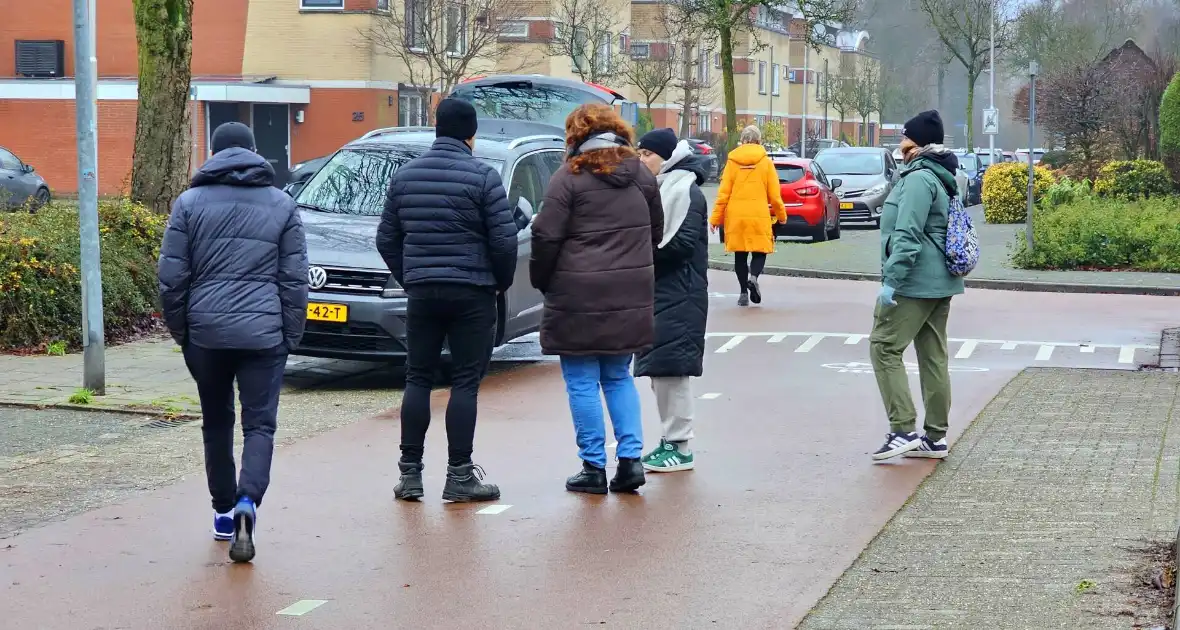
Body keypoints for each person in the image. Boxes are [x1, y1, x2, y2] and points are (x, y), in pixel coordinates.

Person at [158, 121, 308, 563]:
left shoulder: (188, 204)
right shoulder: (282, 204)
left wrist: (182, 332)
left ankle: (223, 512)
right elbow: (294, 279)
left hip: (205, 334)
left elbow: (171, 279)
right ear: (253, 152)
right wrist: (290, 334)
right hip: (264, 336)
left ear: (215, 152)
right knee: (260, 424)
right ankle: (248, 500)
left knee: (216, 422)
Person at [376, 98, 517, 503]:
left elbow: (386, 238)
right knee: (465, 383)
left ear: (437, 128)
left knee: (417, 377)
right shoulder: (484, 177)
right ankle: (459, 476)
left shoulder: (405, 177)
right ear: (471, 135)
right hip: (472, 293)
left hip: (423, 293)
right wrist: (497, 283)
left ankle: (410, 475)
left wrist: (412, 277)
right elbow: (504, 242)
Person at [530, 104, 663, 494]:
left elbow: (545, 236)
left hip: (577, 294)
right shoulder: (640, 175)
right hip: (629, 292)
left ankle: (592, 466)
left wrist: (543, 280)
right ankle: (631, 460)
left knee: (582, 380)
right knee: (619, 376)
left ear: (576, 135)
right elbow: (655, 229)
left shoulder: (568, 177)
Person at [869, 110, 965, 462]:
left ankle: (902, 429)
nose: (900, 143)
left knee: (883, 347)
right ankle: (935, 437)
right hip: (941, 282)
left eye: (905, 137)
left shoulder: (918, 180)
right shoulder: (941, 175)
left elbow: (907, 236)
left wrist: (892, 282)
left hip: (915, 283)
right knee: (933, 354)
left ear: (917, 142)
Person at [634, 129, 709, 473]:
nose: (641, 159)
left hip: (680, 293)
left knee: (673, 370)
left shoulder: (685, 191)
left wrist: (636, 252)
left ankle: (680, 446)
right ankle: (669, 440)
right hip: (664, 292)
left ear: (667, 157)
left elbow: (678, 246)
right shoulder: (663, 187)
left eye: (647, 153)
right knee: (661, 369)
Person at [709, 125, 786, 306]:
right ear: (759, 141)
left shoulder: (732, 162)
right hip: (758, 214)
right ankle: (754, 277)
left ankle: (743, 292)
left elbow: (723, 194)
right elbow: (775, 196)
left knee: (740, 255)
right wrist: (782, 216)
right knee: (761, 251)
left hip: (736, 216)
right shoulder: (765, 162)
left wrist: (715, 219)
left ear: (742, 141)